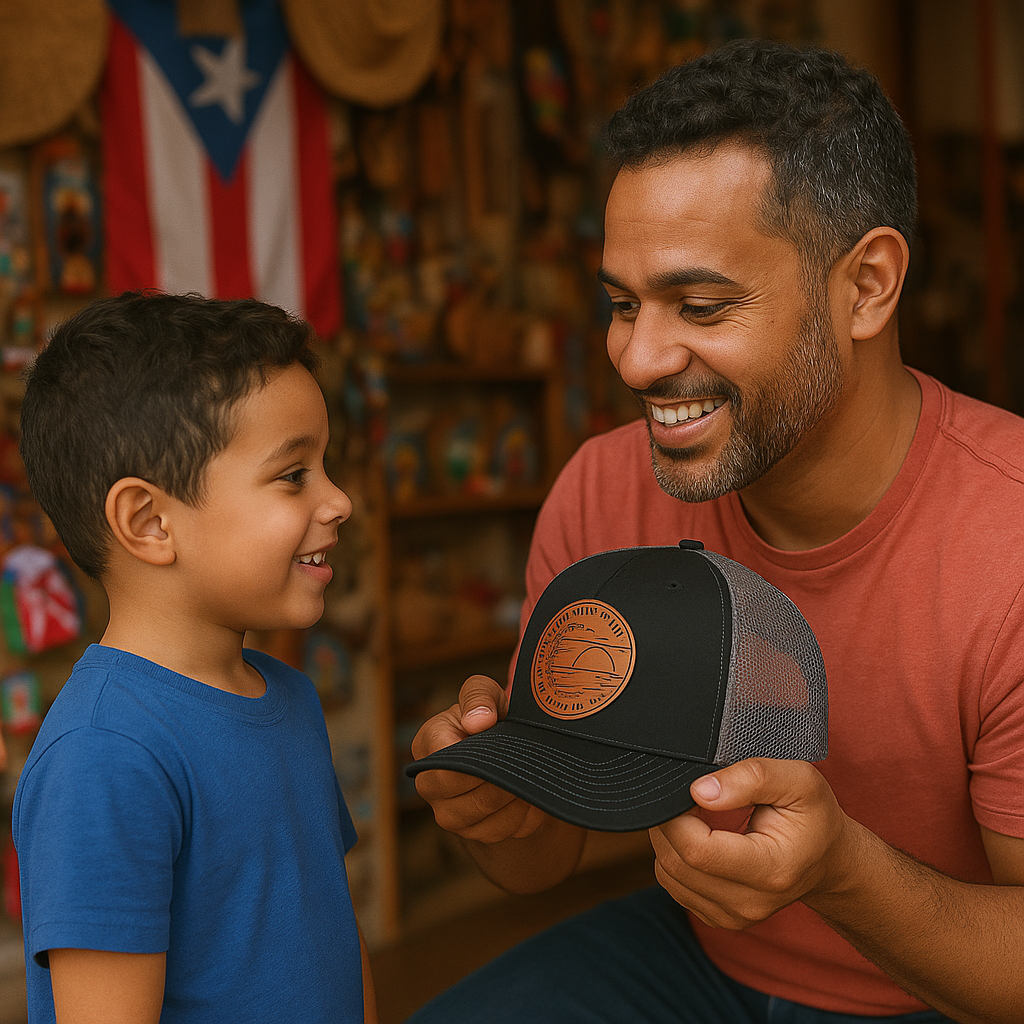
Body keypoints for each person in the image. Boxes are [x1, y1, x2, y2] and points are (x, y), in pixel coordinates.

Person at [408, 38, 1024, 1024]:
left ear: (865, 285)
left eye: (700, 304)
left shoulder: (1009, 541)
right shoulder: (603, 492)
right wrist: (496, 802)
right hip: (697, 958)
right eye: (620, 304)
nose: (638, 358)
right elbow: (538, 857)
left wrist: (842, 873)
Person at [13, 292, 377, 1024]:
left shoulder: (291, 698)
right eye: (293, 475)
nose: (339, 501)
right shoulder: (104, 757)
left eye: (326, 466)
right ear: (149, 522)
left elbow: (337, 942)